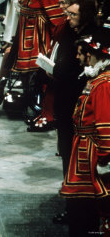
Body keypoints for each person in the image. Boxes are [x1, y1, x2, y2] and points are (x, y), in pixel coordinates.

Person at [60, 27, 110, 236]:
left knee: (86, 207)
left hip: (91, 156)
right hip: (83, 152)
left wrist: (104, 159)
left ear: (90, 54)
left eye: (81, 53)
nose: (79, 58)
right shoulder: (97, 80)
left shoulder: (103, 84)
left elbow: (105, 125)